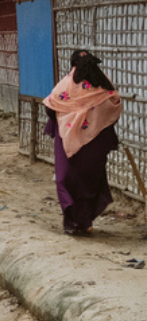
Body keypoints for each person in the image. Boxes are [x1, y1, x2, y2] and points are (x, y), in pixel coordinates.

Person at [43, 50, 122, 236]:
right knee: (90, 181)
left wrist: (70, 120)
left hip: (67, 139)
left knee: (66, 179)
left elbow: (51, 106)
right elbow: (115, 107)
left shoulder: (66, 85)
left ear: (73, 65)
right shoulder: (105, 84)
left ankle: (71, 222)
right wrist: (93, 122)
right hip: (95, 142)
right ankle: (85, 222)